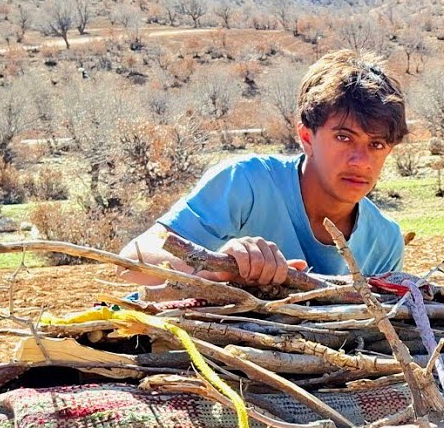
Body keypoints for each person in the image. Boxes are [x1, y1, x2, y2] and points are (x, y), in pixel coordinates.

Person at [118, 50, 408, 287]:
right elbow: (131, 263)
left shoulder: (384, 242)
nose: (360, 160)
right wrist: (217, 268)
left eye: (377, 145)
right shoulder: (247, 183)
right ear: (306, 137)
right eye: (344, 138)